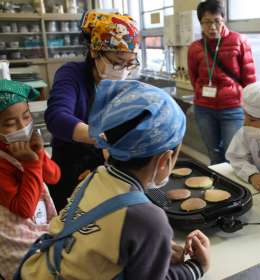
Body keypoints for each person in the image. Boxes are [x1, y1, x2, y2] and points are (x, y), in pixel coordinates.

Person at [18, 80, 210, 280]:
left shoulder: (94, 177)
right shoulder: (148, 219)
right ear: (164, 160)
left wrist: (151, 246)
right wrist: (197, 266)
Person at [44, 10, 140, 211]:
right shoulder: (72, 74)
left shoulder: (119, 84)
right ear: (95, 51)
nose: (122, 70)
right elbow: (57, 117)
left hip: (105, 162)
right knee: (72, 218)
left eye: (129, 64)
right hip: (71, 161)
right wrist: (100, 137)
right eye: (117, 62)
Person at [0, 80, 60, 280]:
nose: (22, 127)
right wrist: (31, 164)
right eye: (10, 124)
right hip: (15, 238)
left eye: (26, 117)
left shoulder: (27, 144)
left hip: (39, 222)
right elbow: (23, 209)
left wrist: (40, 153)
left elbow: (53, 176)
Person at [188, 0, 256, 164]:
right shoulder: (195, 47)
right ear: (200, 23)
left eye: (216, 21)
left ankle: (233, 189)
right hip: (204, 109)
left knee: (233, 155)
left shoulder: (239, 41)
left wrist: (250, 108)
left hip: (232, 108)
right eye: (207, 22)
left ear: (223, 20)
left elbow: (249, 78)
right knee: (213, 153)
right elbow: (194, 77)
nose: (212, 27)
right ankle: (217, 188)